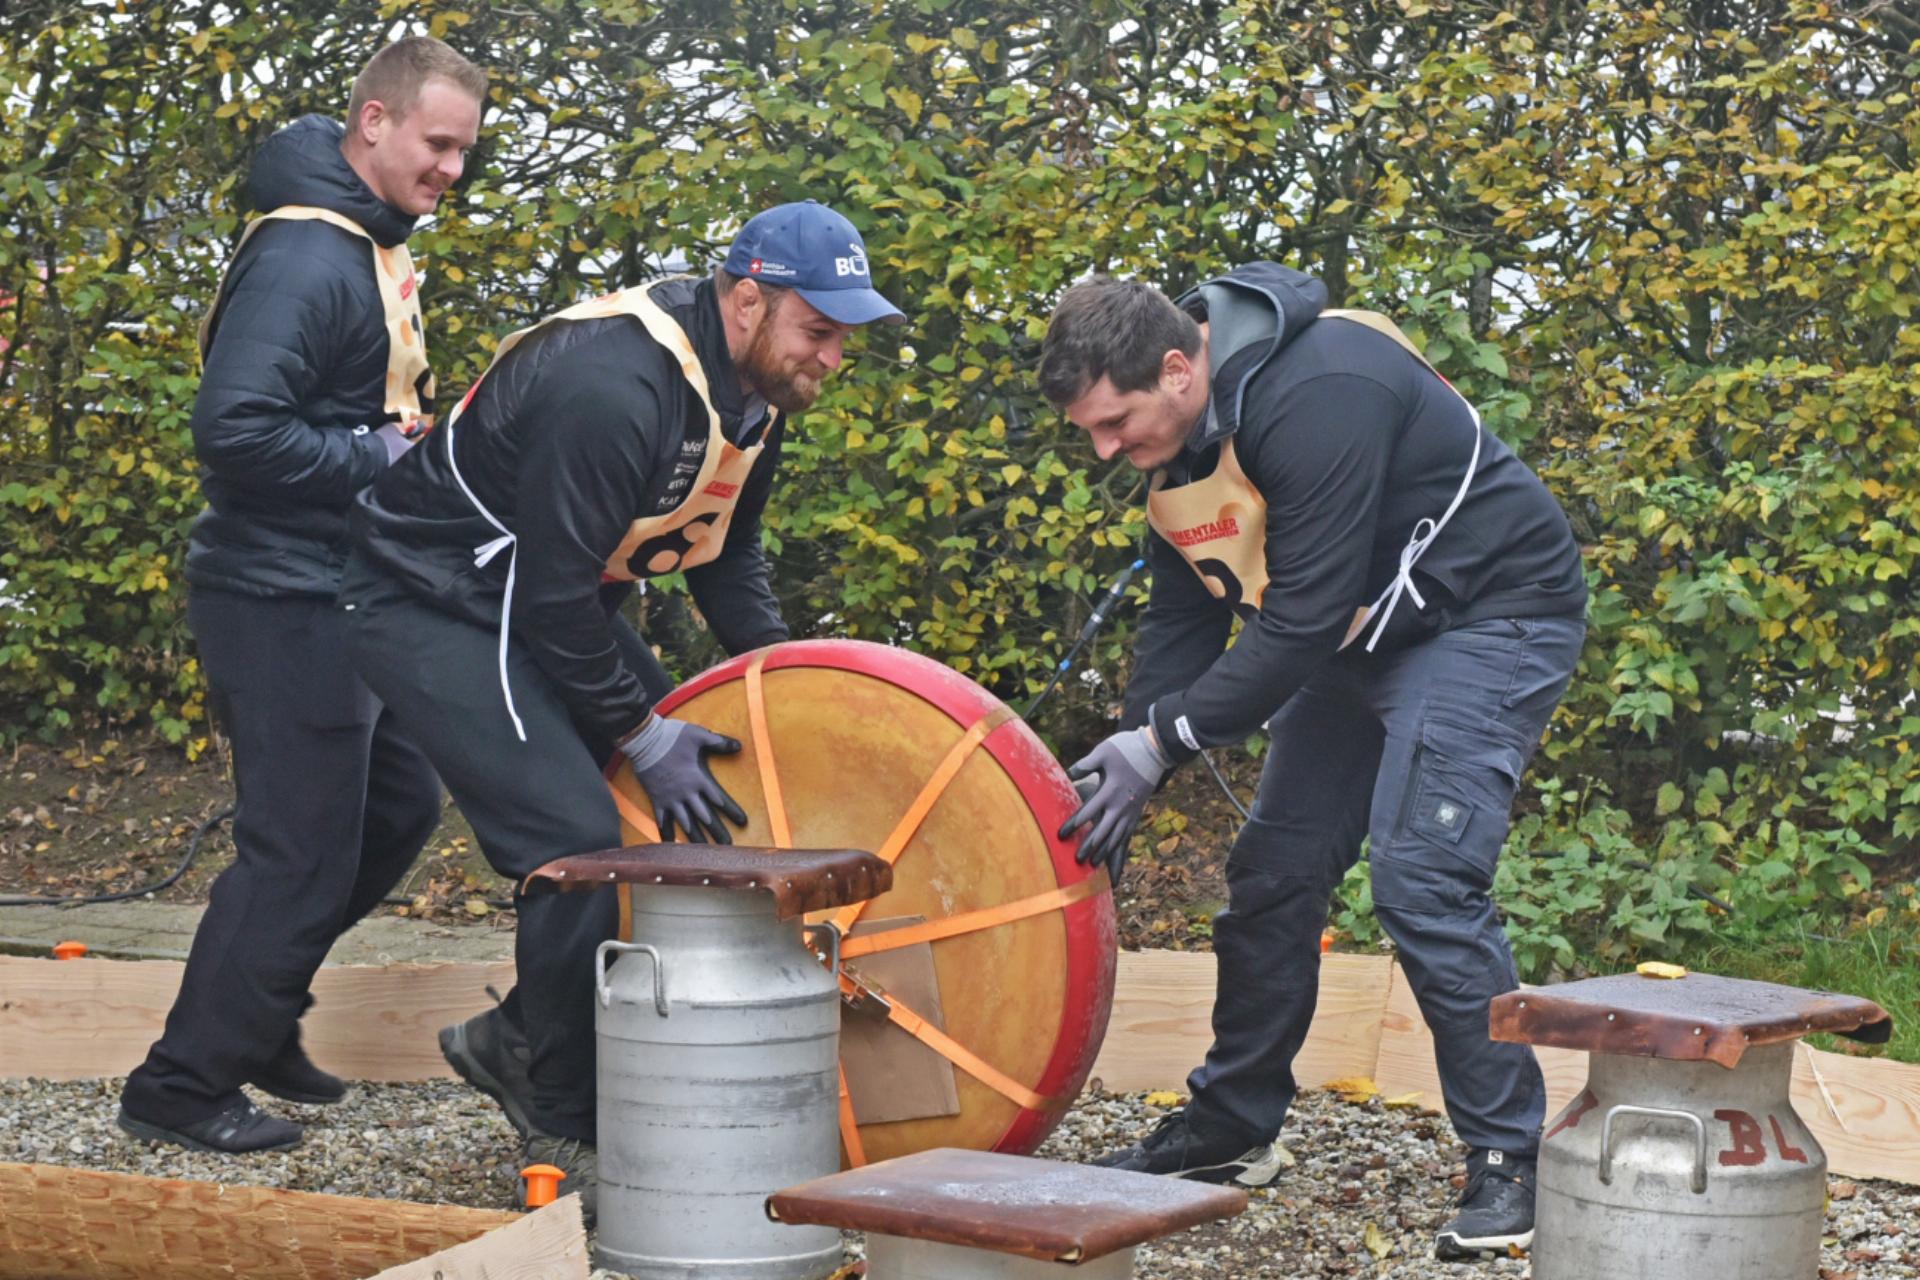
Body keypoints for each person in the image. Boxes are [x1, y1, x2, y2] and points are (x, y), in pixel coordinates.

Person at [337, 201, 902, 1214]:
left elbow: (724, 559)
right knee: (576, 834)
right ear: (745, 300)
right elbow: (553, 603)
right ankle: (557, 1110)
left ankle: (521, 1026)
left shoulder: (754, 394)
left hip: (542, 605)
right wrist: (642, 732)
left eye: (846, 337)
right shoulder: (614, 386)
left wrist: (782, 685)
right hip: (430, 599)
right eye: (819, 331)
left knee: (713, 779)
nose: (834, 356)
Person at [1040, 267, 1587, 1259]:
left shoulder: (1321, 388)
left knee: (1422, 873)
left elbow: (1298, 620)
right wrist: (1129, 771)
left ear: (1177, 367)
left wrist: (1164, 741)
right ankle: (1232, 1124)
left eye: (1115, 422)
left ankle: (1515, 1159)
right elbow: (1184, 623)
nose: (1105, 449)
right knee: (1274, 871)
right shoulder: (1177, 452)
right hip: (1356, 636)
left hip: (1488, 612)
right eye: (1090, 431)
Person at [117, 39, 486, 1154]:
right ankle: (180, 1084)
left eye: (466, 148)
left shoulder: (360, 243)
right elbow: (232, 432)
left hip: (342, 586)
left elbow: (327, 411)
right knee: (301, 847)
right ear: (373, 122)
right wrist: (376, 459)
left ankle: (260, 1011)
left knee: (395, 810)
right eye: (438, 143)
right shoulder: (305, 257)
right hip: (280, 594)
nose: (453, 169)